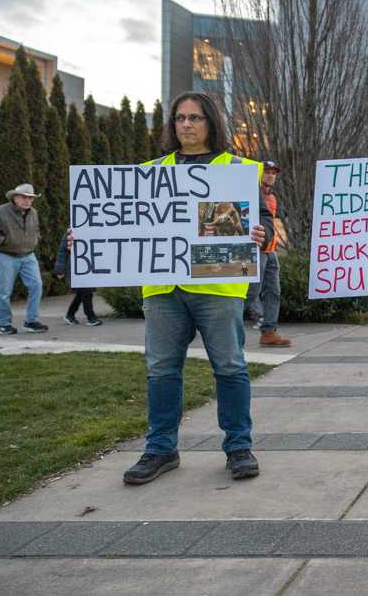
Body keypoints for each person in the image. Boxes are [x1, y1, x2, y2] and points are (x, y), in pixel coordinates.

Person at [120, 91, 272, 486]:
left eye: (195, 118)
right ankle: (160, 450)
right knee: (161, 370)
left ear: (211, 123)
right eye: (179, 118)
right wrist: (86, 237)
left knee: (231, 367)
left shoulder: (237, 169)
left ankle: (239, 447)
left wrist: (261, 233)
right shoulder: (150, 171)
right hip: (162, 287)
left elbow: (268, 226)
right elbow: (125, 224)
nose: (186, 124)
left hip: (219, 286)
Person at [245, 161, 292, 345]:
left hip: (271, 250)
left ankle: (269, 332)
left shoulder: (272, 196)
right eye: (267, 172)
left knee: (274, 291)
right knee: (251, 291)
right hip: (257, 249)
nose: (270, 176)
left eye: (273, 173)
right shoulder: (251, 193)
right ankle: (215, 324)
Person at [0, 183, 48, 335]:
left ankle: (31, 321)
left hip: (29, 255)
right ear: (15, 198)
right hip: (6, 255)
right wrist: (2, 241)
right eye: (24, 197)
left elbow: (36, 229)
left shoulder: (34, 213)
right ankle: (4, 324)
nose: (27, 201)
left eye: (30, 198)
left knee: (36, 286)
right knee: (5, 292)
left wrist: (35, 239)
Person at [55, 228, 101, 326]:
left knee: (82, 293)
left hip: (87, 266)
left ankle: (70, 315)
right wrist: (60, 269)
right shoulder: (72, 229)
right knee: (86, 292)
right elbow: (62, 250)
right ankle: (91, 317)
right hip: (75, 268)